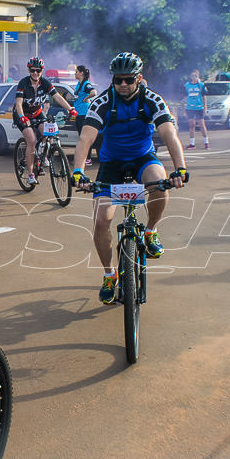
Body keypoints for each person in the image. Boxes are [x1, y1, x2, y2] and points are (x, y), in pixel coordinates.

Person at [69, 52, 187, 302]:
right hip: (111, 163)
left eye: (128, 80)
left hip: (142, 157)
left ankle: (151, 231)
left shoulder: (152, 99)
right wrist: (78, 171)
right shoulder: (102, 102)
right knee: (102, 220)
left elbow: (169, 134)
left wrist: (181, 169)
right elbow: (86, 139)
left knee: (159, 181)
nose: (123, 84)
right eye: (118, 79)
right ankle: (110, 275)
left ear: (139, 79)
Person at [13, 57, 77, 186]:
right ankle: (31, 174)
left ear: (42, 70)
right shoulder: (23, 83)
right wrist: (22, 117)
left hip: (37, 112)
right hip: (22, 114)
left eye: (38, 70)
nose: (35, 73)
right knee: (31, 140)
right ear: (29, 70)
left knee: (49, 133)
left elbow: (57, 97)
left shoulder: (45, 83)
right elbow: (18, 103)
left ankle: (42, 156)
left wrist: (70, 109)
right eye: (32, 70)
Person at [72, 65, 98, 166]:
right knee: (81, 136)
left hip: (84, 112)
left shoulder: (86, 84)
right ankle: (84, 157)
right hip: (79, 113)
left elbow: (94, 92)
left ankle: (88, 158)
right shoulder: (79, 83)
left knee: (85, 136)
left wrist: (86, 98)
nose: (75, 73)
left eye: (77, 71)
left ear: (81, 73)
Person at [183, 69, 209, 150]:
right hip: (190, 107)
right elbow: (185, 97)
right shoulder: (187, 85)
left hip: (199, 107)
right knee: (191, 125)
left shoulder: (201, 85)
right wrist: (184, 107)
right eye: (192, 76)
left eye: (196, 76)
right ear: (190, 77)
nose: (194, 77)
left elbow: (204, 97)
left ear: (198, 76)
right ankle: (192, 143)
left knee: (201, 124)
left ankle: (206, 142)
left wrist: (205, 107)